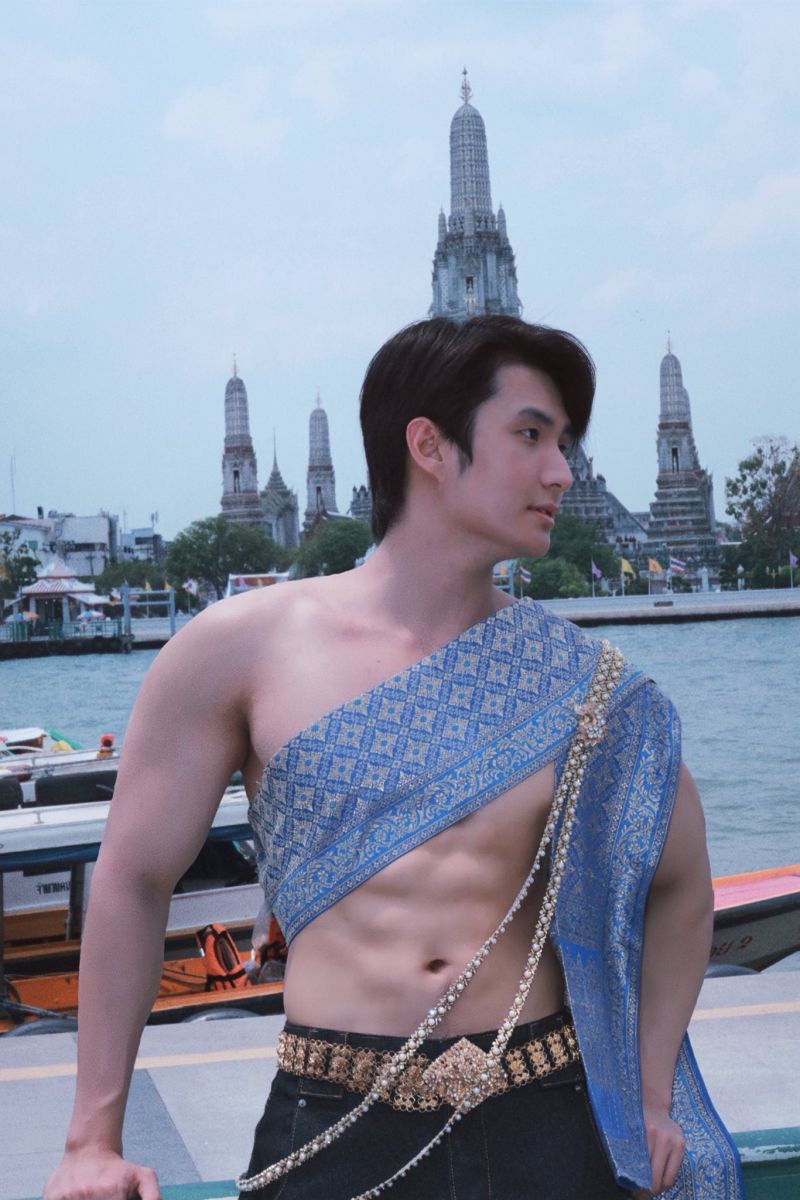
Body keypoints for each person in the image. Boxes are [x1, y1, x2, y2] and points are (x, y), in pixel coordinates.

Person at [44, 316, 743, 1200]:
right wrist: (91, 1141)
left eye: (563, 443)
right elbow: (132, 880)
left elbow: (682, 886)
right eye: (532, 435)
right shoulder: (241, 651)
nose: (561, 471)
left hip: (545, 1117)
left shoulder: (583, 682)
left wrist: (648, 1091)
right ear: (430, 446)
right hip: (333, 1118)